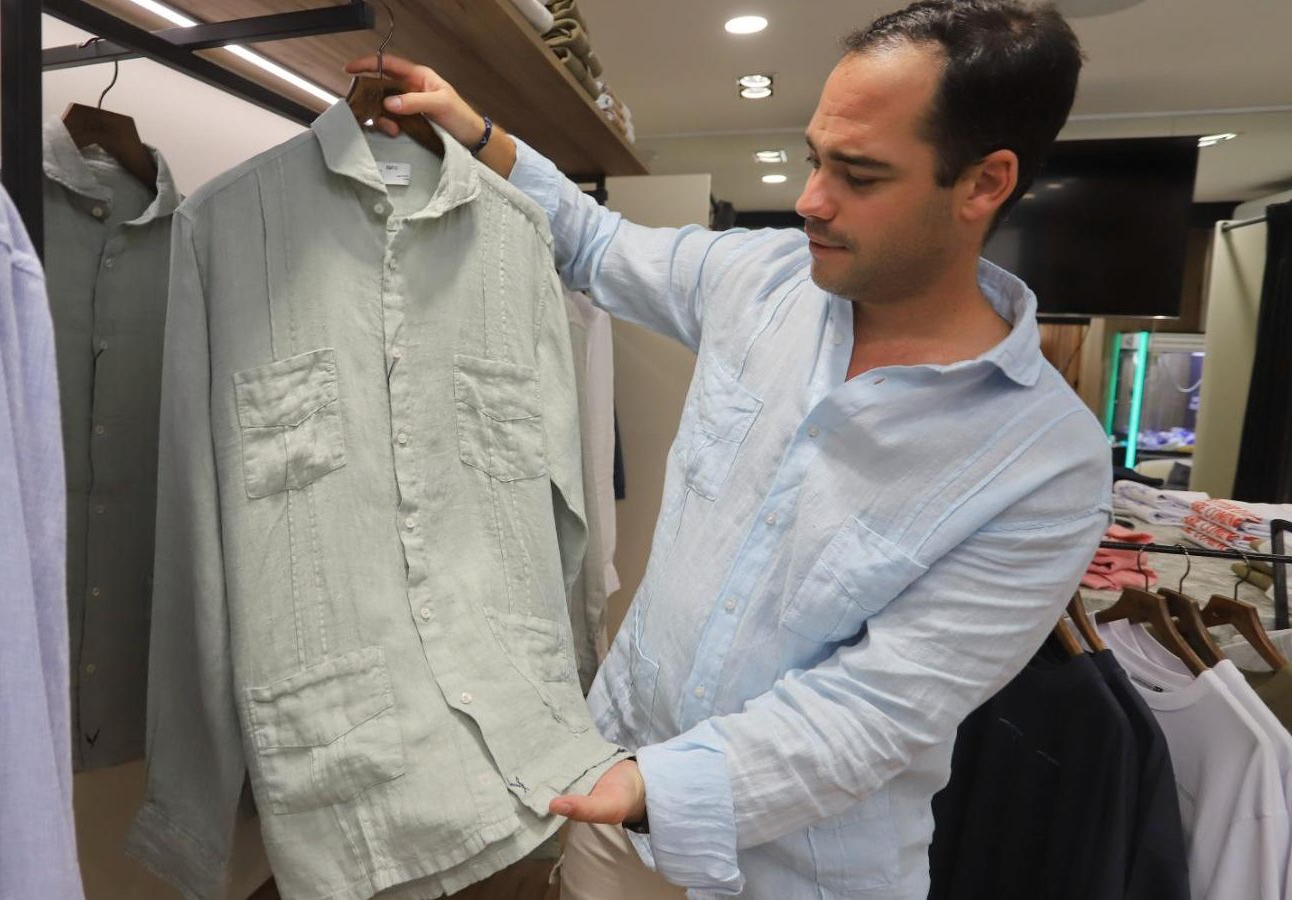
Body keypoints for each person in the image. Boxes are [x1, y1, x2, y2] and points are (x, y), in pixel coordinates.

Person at [347, 1, 1110, 896]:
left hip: (795, 869)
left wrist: (650, 789)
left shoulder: (1046, 468)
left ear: (984, 184)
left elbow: (877, 712)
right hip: (613, 808)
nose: (810, 199)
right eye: (813, 157)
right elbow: (595, 244)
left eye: (859, 175)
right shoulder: (763, 281)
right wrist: (479, 135)